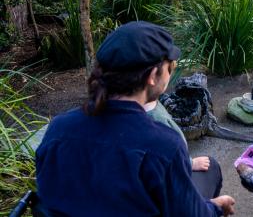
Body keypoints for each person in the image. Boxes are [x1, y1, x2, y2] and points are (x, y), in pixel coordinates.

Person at [35, 21, 235, 216]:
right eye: (170, 67)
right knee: (211, 169)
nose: (172, 71)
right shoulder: (163, 146)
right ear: (152, 76)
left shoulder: (58, 129)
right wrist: (215, 207)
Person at [144, 99, 223, 199]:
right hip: (159, 196)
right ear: (151, 82)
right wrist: (189, 163)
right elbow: (168, 155)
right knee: (212, 166)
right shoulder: (155, 120)